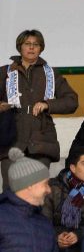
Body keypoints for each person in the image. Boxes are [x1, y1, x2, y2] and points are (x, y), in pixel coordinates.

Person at [0, 29, 78, 190]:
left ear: (41, 48)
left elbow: (72, 101)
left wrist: (48, 104)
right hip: (12, 141)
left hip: (41, 142)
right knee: (11, 192)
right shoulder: (5, 72)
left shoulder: (51, 73)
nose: (31, 47)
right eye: (27, 44)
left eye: (36, 44)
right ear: (20, 47)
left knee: (38, 191)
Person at [42, 147, 84, 252]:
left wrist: (78, 235)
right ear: (73, 167)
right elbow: (43, 221)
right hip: (53, 245)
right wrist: (57, 237)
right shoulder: (53, 188)